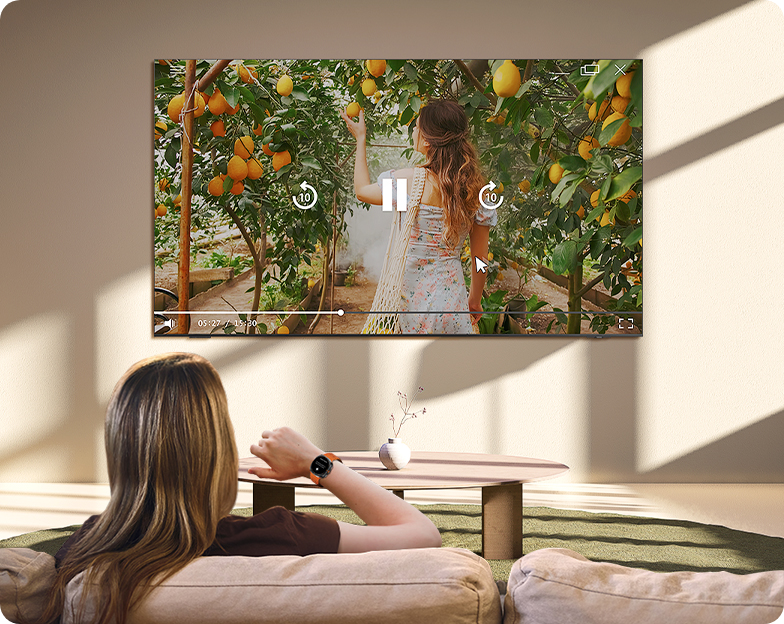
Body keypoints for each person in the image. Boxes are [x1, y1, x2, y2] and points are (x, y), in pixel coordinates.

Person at [41, 353, 440, 624]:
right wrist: (317, 463)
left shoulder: (80, 553)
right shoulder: (281, 534)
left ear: (121, 450)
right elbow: (424, 534)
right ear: (216, 450)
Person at [340, 99, 497, 334]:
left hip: (412, 305)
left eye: (416, 126)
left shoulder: (409, 184)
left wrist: (361, 139)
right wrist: (474, 300)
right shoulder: (475, 190)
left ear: (426, 139)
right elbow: (481, 259)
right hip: (452, 304)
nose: (413, 130)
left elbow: (362, 191)